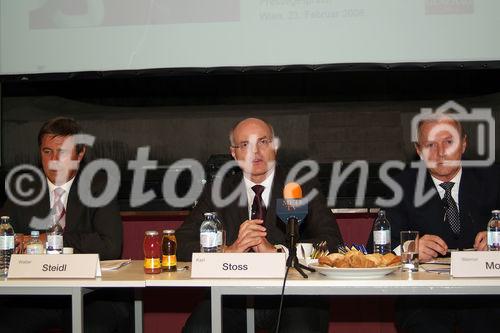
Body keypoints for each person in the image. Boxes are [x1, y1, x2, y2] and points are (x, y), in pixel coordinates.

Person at [177, 117, 343, 333]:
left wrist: (278, 252)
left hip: (293, 296)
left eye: (263, 142)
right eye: (245, 145)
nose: (255, 151)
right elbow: (181, 241)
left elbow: (332, 242)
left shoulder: (301, 186)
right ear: (234, 154)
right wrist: (227, 252)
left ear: (274, 146)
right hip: (232, 297)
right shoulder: (218, 191)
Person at [0, 117, 129, 333]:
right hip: (33, 296)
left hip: (92, 296)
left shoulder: (99, 187)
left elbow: (110, 246)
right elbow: (5, 232)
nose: (53, 161)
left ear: (80, 154)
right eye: (47, 151)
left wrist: (47, 240)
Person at [387, 113, 500, 332]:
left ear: (464, 144)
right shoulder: (402, 186)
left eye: (449, 142)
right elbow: (376, 244)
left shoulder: (493, 177)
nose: (441, 153)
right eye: (431, 145)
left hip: (487, 294)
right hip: (425, 297)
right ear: (419, 152)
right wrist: (411, 247)